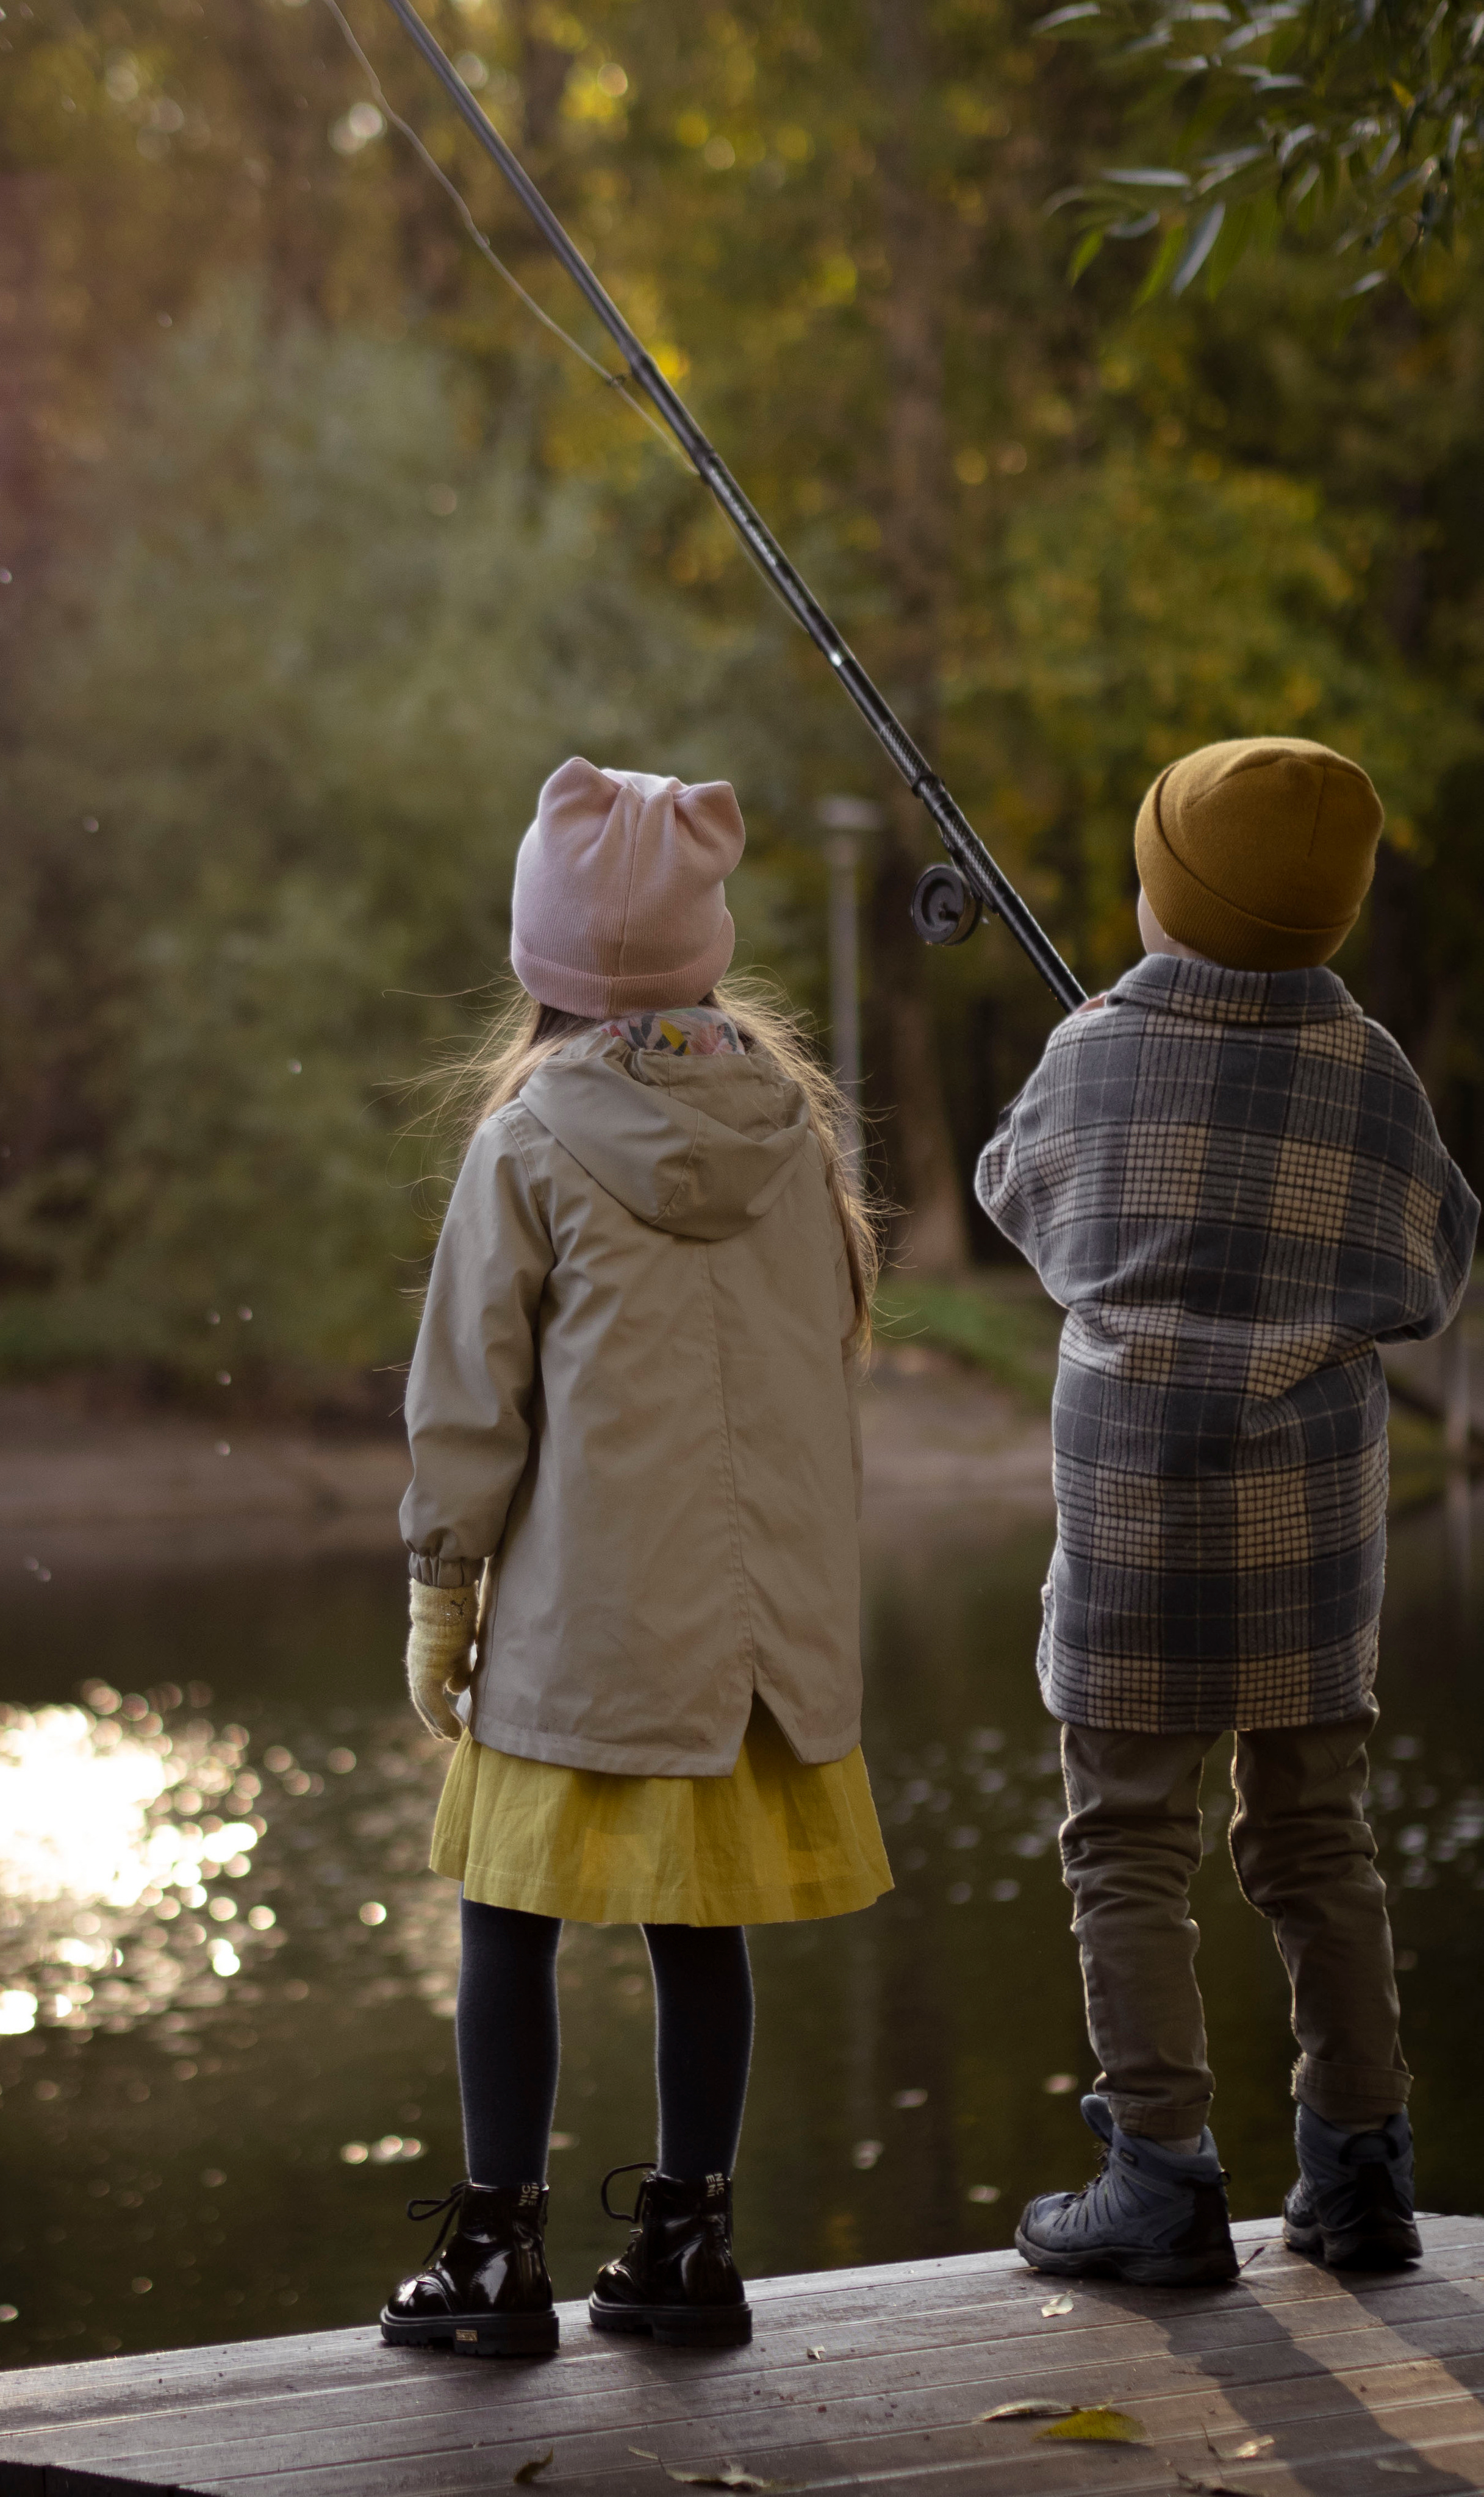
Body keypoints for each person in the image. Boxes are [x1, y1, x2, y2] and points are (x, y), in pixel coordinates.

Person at [378, 756, 892, 2357]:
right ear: (706, 946)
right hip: (745, 1639)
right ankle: (686, 2243)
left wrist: (442, 1583)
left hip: (575, 1630)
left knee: (505, 1917)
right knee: (700, 1926)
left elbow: (471, 1391)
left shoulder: (529, 1136)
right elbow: (824, 1353)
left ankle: (495, 2255)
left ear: (538, 960)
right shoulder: (790, 1126)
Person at [976, 736, 1478, 2287]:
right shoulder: (1369, 1066)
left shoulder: (1092, 1049)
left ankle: (1160, 2177)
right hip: (1313, 1536)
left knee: (1124, 1838)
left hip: (1133, 1517)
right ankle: (1360, 2174)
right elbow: (1432, 1268)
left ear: (1161, 895)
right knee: (1316, 1836)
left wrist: (1103, 1058)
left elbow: (1015, 1198)